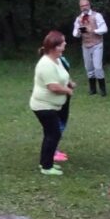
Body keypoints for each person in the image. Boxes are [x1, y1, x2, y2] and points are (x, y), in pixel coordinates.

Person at [30, 30, 75, 176]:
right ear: (55, 47)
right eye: (62, 42)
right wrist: (67, 90)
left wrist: (69, 82)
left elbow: (61, 76)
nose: (65, 44)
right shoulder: (45, 64)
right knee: (53, 134)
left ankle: (46, 162)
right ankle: (46, 167)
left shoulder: (57, 59)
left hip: (52, 106)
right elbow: (53, 87)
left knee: (51, 134)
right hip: (43, 106)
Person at [72, 0, 108, 96]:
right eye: (82, 6)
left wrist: (93, 30)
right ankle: (93, 89)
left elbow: (104, 29)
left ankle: (103, 90)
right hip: (85, 45)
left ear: (89, 5)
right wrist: (79, 32)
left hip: (97, 44)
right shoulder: (78, 19)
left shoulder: (97, 15)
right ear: (80, 7)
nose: (84, 7)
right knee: (89, 68)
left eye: (86, 5)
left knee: (98, 67)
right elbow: (75, 33)